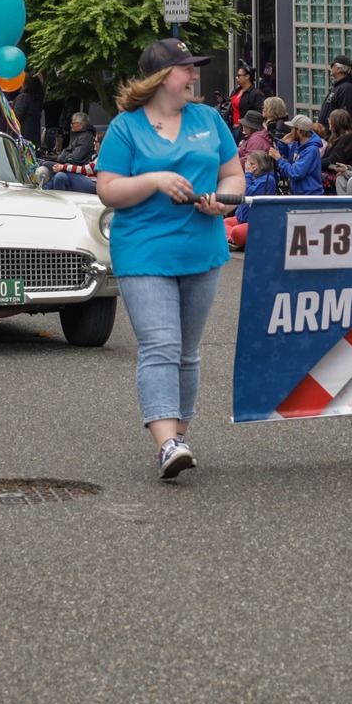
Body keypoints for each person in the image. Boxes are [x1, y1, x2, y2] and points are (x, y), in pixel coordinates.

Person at [91, 38, 242, 480]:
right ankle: (167, 443)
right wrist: (154, 180)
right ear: (160, 78)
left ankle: (178, 434)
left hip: (202, 249)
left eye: (195, 68)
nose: (194, 76)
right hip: (144, 250)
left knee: (188, 352)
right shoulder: (125, 127)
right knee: (161, 345)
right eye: (186, 69)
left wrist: (225, 203)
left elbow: (233, 174)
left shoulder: (209, 119)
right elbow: (108, 189)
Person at [225, 151, 278, 249]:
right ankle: (233, 240)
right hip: (241, 219)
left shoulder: (268, 180)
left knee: (236, 231)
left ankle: (235, 241)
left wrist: (248, 174)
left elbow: (248, 194)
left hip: (255, 222)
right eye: (249, 164)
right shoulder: (254, 177)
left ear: (262, 164)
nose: (249, 167)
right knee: (224, 223)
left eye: (252, 164)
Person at [273, 114, 325, 196]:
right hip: (298, 193)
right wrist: (283, 143)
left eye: (292, 129)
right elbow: (286, 154)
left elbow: (296, 173)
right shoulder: (296, 144)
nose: (291, 132)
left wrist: (279, 159)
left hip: (309, 196)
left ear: (299, 130)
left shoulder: (311, 150)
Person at [320, 108, 352, 189]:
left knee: (311, 176)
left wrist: (314, 163)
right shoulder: (335, 137)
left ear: (335, 123)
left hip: (343, 172)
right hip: (333, 170)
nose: (328, 122)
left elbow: (333, 161)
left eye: (330, 120)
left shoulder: (348, 138)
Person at [317, 56, 352, 128]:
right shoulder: (338, 87)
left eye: (332, 65)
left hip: (334, 135)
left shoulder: (346, 88)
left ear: (339, 69)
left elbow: (345, 115)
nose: (330, 67)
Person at [229, 64, 265, 131]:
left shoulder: (256, 94)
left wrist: (243, 125)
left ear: (247, 77)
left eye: (239, 75)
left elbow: (259, 114)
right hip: (231, 127)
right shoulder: (236, 91)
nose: (237, 78)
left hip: (244, 129)